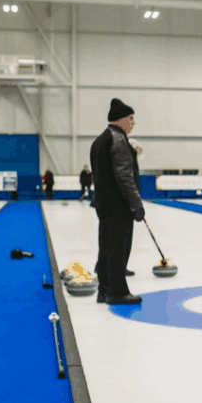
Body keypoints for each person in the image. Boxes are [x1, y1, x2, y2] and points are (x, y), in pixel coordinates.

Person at [90, 98, 144, 305]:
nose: (133, 123)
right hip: (118, 205)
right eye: (131, 119)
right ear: (120, 120)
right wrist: (136, 203)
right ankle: (118, 291)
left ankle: (104, 290)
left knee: (106, 246)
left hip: (104, 203)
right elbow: (124, 177)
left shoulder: (100, 140)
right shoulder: (119, 140)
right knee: (118, 247)